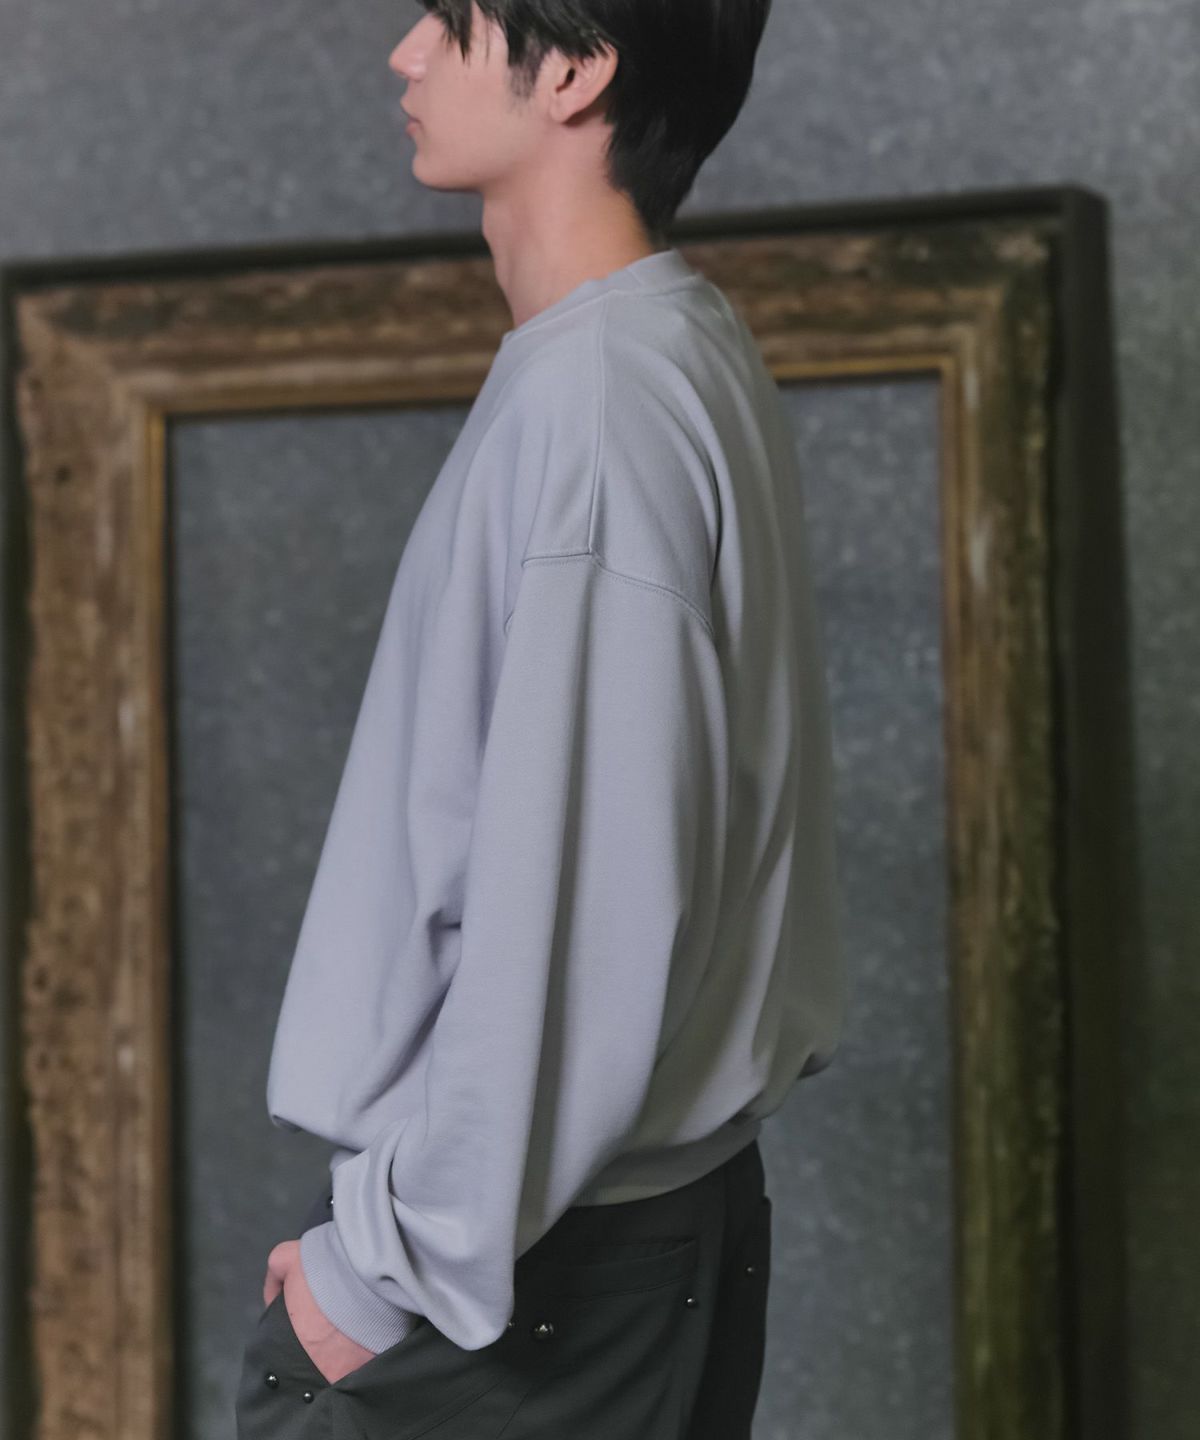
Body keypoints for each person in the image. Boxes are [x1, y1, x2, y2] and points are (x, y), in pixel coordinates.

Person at [234, 1, 845, 1436]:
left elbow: (583, 916)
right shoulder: (656, 351)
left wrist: (374, 1274)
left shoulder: (601, 404)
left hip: (532, 1280)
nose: (404, 52)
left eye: (451, 20)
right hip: (588, 1245)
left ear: (573, 70)